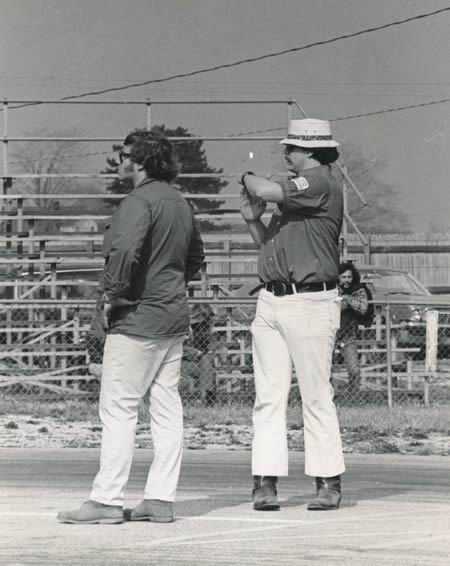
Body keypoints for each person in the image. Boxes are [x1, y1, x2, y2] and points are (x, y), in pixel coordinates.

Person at [58, 128, 204, 524]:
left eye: (125, 154)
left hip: (136, 317)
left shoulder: (137, 202)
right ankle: (160, 499)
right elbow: (195, 258)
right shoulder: (179, 202)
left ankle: (106, 499)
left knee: (119, 409)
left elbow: (124, 250)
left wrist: (112, 294)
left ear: (138, 161)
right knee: (166, 409)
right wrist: (168, 285)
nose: (121, 160)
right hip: (172, 315)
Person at [239, 118, 345, 512]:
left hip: (311, 300)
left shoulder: (319, 181)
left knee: (316, 396)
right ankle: (264, 482)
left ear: (312, 152)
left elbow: (264, 187)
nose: (287, 154)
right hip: (274, 297)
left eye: (293, 148)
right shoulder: (295, 200)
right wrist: (253, 219)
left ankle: (328, 480)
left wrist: (248, 175)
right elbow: (268, 246)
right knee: (269, 397)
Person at [336, 261, 371, 398]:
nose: (346, 280)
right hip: (331, 332)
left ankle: (353, 395)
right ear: (338, 277)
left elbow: (363, 308)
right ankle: (327, 395)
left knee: (354, 368)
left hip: (348, 333)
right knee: (326, 367)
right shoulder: (332, 289)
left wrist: (347, 298)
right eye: (343, 277)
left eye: (349, 277)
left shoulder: (359, 290)